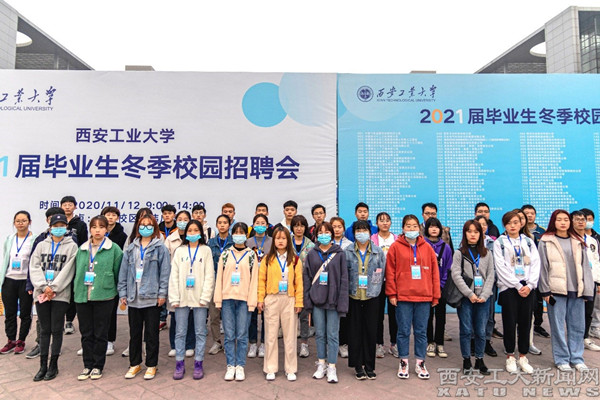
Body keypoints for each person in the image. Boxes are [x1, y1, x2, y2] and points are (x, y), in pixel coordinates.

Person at [538, 210, 594, 372]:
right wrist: (545, 291)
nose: (563, 223)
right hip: (556, 290)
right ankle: (561, 359)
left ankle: (577, 358)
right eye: (559, 220)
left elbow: (585, 267)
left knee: (577, 326)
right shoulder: (546, 241)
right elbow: (542, 268)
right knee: (558, 327)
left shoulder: (578, 241)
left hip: (577, 291)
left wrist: (587, 290)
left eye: (566, 220)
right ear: (553, 222)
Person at [386, 215, 440, 380]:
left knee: (421, 331)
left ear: (419, 228)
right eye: (408, 226)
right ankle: (403, 361)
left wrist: (435, 295)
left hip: (424, 296)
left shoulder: (427, 247)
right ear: (403, 228)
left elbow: (434, 273)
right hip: (403, 297)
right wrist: (392, 293)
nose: (411, 229)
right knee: (403, 331)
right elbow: (390, 272)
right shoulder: (395, 247)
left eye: (414, 226)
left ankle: (420, 362)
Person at [118, 213, 170, 380]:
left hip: (152, 298)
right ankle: (135, 364)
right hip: (134, 298)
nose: (145, 228)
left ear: (154, 228)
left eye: (149, 225)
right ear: (138, 227)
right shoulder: (131, 248)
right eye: (142, 225)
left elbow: (165, 273)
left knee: (152, 334)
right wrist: (123, 293)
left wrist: (162, 293)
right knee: (134, 334)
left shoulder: (160, 248)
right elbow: (123, 272)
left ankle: (151, 365)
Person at [74, 215, 123, 380]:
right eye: (94, 227)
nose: (97, 230)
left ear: (106, 229)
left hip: (104, 296)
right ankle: (87, 365)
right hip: (83, 296)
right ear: (90, 229)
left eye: (101, 227)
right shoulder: (82, 249)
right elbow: (76, 272)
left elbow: (118, 272)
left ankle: (97, 366)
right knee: (86, 332)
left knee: (101, 333)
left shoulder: (114, 249)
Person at [29, 213, 78, 381]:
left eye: (62, 226)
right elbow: (34, 267)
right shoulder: (41, 245)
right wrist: (44, 287)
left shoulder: (72, 246)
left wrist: (54, 288)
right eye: (55, 226)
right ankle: (42, 365)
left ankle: (53, 365)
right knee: (44, 330)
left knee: (57, 330)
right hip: (42, 293)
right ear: (50, 227)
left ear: (66, 227)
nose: (58, 228)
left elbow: (69, 270)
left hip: (60, 294)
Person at [494, 210, 540, 374]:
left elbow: (535, 264)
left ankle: (523, 356)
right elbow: (501, 267)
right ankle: (510, 356)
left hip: (528, 288)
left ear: (521, 224)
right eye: (508, 223)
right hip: (509, 288)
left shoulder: (528, 241)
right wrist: (517, 285)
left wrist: (530, 284)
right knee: (509, 323)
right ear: (504, 225)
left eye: (516, 222)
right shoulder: (500, 243)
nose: (512, 226)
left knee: (525, 323)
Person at [169, 220, 214, 380]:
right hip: (181, 297)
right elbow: (174, 275)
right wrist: (174, 297)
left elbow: (210, 275)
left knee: (200, 332)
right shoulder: (180, 251)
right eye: (190, 230)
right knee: (180, 332)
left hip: (200, 298)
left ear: (201, 233)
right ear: (186, 233)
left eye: (196, 230)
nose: (193, 233)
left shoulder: (206, 250)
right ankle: (179, 363)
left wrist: (205, 297)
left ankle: (198, 363)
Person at [304, 221, 348, 383]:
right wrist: (307, 301)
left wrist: (342, 303)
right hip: (317, 300)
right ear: (316, 235)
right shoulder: (311, 254)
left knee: (333, 335)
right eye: (320, 232)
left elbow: (344, 279)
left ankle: (332, 367)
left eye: (327, 232)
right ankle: (321, 363)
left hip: (334, 301)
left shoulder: (340, 254)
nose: (324, 235)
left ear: (332, 234)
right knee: (320, 334)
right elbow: (307, 279)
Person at [257, 226, 303, 381]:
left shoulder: (295, 260)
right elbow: (261, 280)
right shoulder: (267, 259)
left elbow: (299, 283)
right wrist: (260, 299)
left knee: (290, 336)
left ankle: (290, 369)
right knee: (271, 335)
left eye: (284, 238)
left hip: (289, 299)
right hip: (272, 298)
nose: (281, 241)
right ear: (273, 241)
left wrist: (299, 302)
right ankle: (270, 368)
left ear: (288, 240)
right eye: (278, 238)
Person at [214, 222, 259, 381]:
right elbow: (219, 277)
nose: (239, 235)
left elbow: (254, 280)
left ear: (246, 236)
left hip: (244, 300)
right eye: (236, 232)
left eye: (242, 233)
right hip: (227, 299)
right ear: (232, 235)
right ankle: (230, 365)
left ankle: (240, 365)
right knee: (229, 335)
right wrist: (218, 300)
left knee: (241, 335)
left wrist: (252, 302)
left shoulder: (251, 255)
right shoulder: (226, 254)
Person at [451, 220, 495, 375]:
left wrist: (484, 295)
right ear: (465, 233)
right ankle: (466, 360)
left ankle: (479, 359)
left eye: (476, 232)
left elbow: (491, 275)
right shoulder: (459, 253)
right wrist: (469, 294)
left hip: (483, 299)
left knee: (481, 331)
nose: (473, 235)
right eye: (469, 231)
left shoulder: (487, 253)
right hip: (466, 298)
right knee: (466, 330)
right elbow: (456, 275)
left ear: (481, 234)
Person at [345, 220, 385, 380]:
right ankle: (357, 366)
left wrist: (375, 288)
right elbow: (344, 274)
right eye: (358, 230)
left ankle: (369, 366)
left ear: (370, 232)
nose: (361, 233)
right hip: (353, 296)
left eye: (364, 230)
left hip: (372, 296)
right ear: (354, 233)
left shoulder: (378, 252)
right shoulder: (347, 251)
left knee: (370, 331)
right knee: (354, 332)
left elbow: (382, 272)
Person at [0, 211, 35, 355]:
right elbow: (6, 258)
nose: (21, 223)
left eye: (24, 220)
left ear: (29, 222)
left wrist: (32, 283)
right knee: (10, 313)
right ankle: (11, 340)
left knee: (25, 313)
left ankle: (21, 340)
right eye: (18, 221)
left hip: (25, 281)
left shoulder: (34, 239)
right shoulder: (9, 239)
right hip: (9, 280)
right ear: (14, 223)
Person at [165, 211, 196, 359]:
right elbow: (166, 262)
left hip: (192, 282)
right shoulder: (170, 239)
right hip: (175, 281)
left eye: (186, 219)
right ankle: (174, 345)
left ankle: (189, 345)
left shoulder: (194, 239)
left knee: (190, 315)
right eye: (180, 219)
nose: (183, 222)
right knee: (175, 315)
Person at [423, 217, 452, 359]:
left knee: (441, 315)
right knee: (427, 316)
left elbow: (447, 268)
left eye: (436, 227)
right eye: (431, 226)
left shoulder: (446, 247)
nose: (433, 229)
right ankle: (430, 342)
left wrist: (441, 285)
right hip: (426, 287)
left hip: (441, 286)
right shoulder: (422, 245)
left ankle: (439, 343)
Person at [370, 212, 398, 359]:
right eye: (381, 221)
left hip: (394, 281)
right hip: (377, 280)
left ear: (391, 223)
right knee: (377, 314)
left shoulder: (397, 239)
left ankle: (394, 344)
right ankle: (379, 344)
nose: (385, 223)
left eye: (387, 220)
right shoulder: (372, 239)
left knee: (395, 315)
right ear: (377, 223)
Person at [571, 210, 600, 352]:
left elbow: (595, 261)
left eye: (583, 219)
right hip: (575, 281)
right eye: (577, 219)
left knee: (588, 311)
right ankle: (573, 339)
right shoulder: (569, 239)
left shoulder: (592, 241)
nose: (581, 222)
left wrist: (598, 281)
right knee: (575, 312)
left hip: (591, 281)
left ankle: (585, 338)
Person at [246, 214, 273, 358]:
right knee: (252, 314)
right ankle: (252, 343)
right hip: (251, 282)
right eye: (257, 223)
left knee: (266, 315)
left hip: (268, 282)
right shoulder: (248, 242)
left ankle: (263, 343)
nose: (260, 225)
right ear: (253, 225)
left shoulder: (272, 242)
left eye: (263, 223)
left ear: (267, 226)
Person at [61, 195, 88, 335]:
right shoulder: (57, 223)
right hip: (59, 263)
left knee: (72, 291)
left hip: (74, 263)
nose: (67, 207)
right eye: (64, 204)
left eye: (70, 204)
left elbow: (83, 244)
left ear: (75, 207)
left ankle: (69, 321)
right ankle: (58, 320)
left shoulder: (81, 225)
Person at [206, 214, 233, 355]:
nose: (222, 225)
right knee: (214, 315)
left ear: (229, 225)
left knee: (229, 315)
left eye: (225, 222)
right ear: (216, 225)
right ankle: (217, 342)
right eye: (220, 223)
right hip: (214, 282)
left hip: (230, 283)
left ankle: (229, 341)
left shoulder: (234, 242)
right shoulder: (210, 243)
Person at [474, 215, 500, 357]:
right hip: (473, 284)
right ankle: (473, 341)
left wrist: (491, 281)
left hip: (490, 283)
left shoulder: (493, 243)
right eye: (479, 224)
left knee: (489, 314)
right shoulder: (466, 243)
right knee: (473, 314)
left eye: (484, 224)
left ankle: (487, 341)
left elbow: (497, 264)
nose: (482, 227)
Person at [291, 215, 315, 358]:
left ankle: (304, 344)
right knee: (290, 316)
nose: (299, 228)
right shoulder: (287, 243)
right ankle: (291, 344)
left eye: (301, 225)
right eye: (296, 226)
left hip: (305, 285)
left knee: (304, 317)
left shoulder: (311, 246)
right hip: (288, 285)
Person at [330, 216, 353, 359]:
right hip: (329, 285)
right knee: (330, 316)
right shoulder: (325, 244)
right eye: (334, 227)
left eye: (339, 227)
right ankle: (331, 343)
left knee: (344, 316)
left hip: (345, 284)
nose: (337, 229)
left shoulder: (350, 245)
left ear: (344, 228)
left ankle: (343, 343)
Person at [582, 208, 600, 340]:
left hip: (594, 277)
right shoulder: (574, 238)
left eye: (590, 220)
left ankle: (592, 330)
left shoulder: (596, 238)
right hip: (580, 279)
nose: (587, 222)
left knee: (593, 307)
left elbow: (596, 260)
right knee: (581, 310)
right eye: (585, 220)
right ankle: (580, 335)